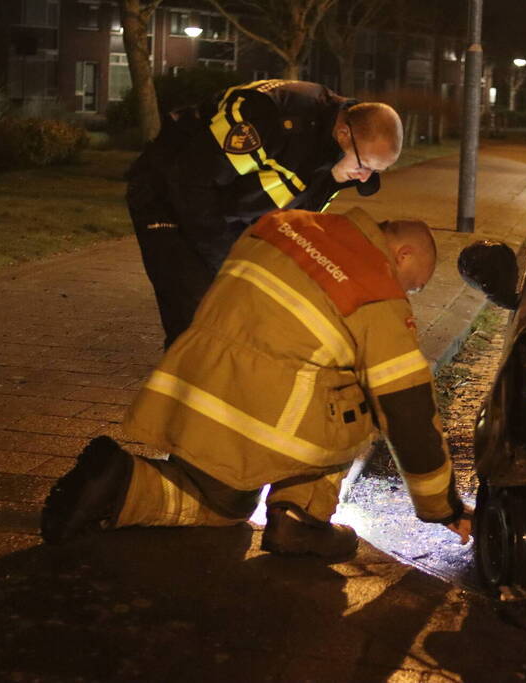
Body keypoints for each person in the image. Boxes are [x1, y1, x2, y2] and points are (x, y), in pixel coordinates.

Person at [41, 206, 472, 559]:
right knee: (362, 395)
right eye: (414, 286)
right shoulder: (376, 292)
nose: (408, 295)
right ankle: (300, 518)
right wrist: (442, 507)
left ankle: (120, 480)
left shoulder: (284, 224)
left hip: (194, 394)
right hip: (262, 417)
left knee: (224, 505)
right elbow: (408, 411)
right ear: (404, 255)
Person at [126, 79, 404, 349]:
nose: (364, 177)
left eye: (376, 171)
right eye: (364, 165)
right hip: (167, 191)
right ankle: (184, 388)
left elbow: (295, 219)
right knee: (196, 314)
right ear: (344, 133)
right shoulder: (273, 115)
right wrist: (228, 262)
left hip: (222, 210)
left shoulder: (339, 155)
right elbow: (192, 182)